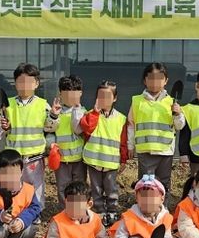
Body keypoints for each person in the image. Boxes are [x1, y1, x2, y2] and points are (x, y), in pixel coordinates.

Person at [0, 63, 58, 209]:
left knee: (36, 186)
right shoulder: (8, 105)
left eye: (29, 82)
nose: (25, 85)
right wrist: (4, 126)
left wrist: (53, 115)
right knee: (13, 185)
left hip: (34, 157)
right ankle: (14, 210)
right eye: (21, 82)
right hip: (13, 157)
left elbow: (50, 127)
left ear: (36, 83)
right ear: (15, 83)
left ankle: (36, 212)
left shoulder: (43, 105)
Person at [127, 62, 185, 205]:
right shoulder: (137, 101)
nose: (155, 81)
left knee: (163, 184)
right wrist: (130, 145)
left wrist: (178, 114)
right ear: (144, 80)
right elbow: (131, 125)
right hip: (145, 151)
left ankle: (162, 210)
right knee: (146, 184)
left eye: (159, 78)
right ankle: (145, 209)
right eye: (151, 78)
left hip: (165, 151)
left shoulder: (172, 102)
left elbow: (180, 125)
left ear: (166, 81)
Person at [80, 80, 128, 226]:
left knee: (111, 187)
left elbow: (123, 141)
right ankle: (99, 210)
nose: (103, 99)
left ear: (115, 98)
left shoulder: (121, 118)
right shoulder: (90, 114)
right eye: (100, 96)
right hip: (94, 160)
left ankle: (112, 210)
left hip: (111, 162)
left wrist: (123, 160)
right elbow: (87, 128)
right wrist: (95, 113)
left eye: (107, 96)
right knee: (95, 187)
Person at [47, 75, 87, 208]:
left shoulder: (83, 112)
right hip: (61, 159)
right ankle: (64, 211)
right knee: (63, 187)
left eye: (74, 92)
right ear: (60, 93)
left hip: (79, 159)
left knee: (79, 187)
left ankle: (79, 210)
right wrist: (53, 115)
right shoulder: (55, 112)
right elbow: (49, 130)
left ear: (80, 93)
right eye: (66, 93)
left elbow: (84, 131)